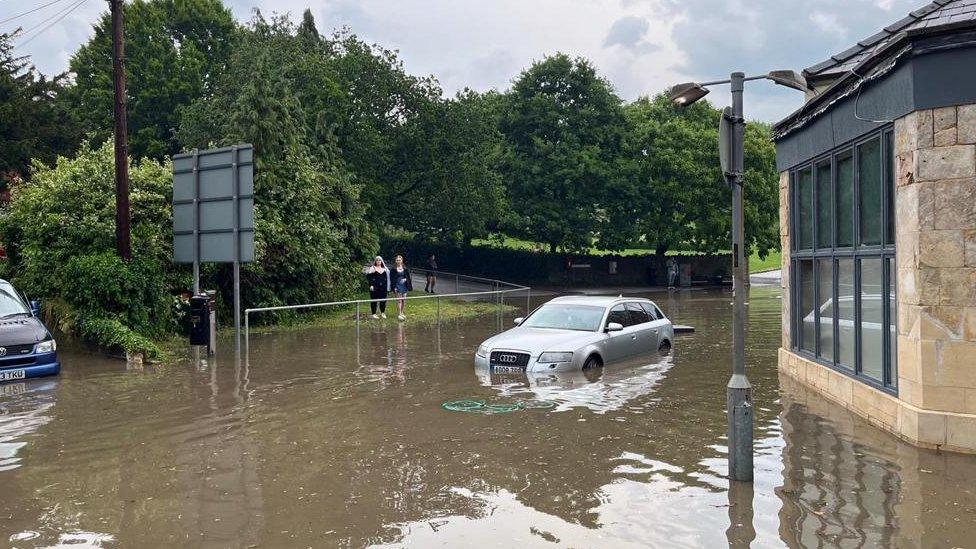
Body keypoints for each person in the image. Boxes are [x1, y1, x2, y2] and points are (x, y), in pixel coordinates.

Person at [391, 254, 413, 321]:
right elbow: (392, 279)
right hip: (397, 285)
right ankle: (399, 314)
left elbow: (408, 277)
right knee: (399, 300)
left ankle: (402, 312)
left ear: (402, 260)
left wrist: (405, 279)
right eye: (397, 260)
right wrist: (394, 287)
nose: (398, 261)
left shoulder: (405, 268)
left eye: (399, 260)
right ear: (395, 261)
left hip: (404, 286)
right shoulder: (393, 269)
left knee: (404, 300)